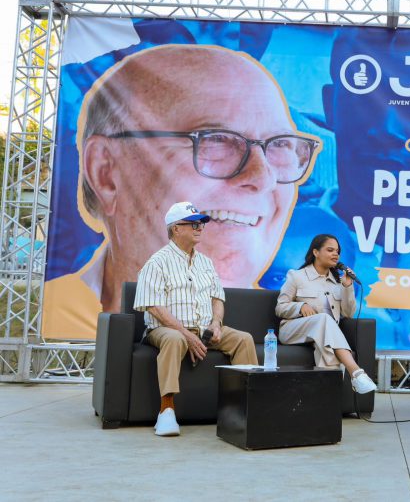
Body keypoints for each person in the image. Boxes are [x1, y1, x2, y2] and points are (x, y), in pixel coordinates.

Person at [42, 44, 321, 339]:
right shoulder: (61, 308)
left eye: (280, 145)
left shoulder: (281, 326)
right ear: (106, 173)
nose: (263, 178)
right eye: (217, 139)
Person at [134, 201, 259, 437]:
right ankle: (166, 411)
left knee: (244, 339)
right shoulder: (157, 262)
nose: (200, 227)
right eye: (193, 223)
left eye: (201, 223)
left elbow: (217, 299)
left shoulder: (206, 263)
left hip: (204, 328)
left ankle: (246, 408)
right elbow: (153, 307)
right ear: (176, 229)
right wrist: (186, 333)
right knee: (174, 340)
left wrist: (216, 323)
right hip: (164, 329)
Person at [275, 233, 376, 394]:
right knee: (323, 319)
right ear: (315, 252)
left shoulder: (337, 283)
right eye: (330, 250)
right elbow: (280, 307)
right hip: (293, 330)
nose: (335, 254)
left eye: (337, 251)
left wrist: (347, 286)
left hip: (324, 336)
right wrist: (300, 306)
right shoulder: (297, 276)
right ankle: (356, 372)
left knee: (327, 348)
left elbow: (348, 313)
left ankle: (326, 402)